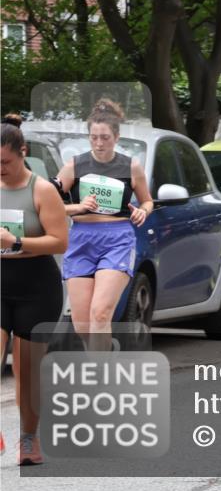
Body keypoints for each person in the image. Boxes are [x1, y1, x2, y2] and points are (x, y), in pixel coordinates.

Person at [56, 99, 153, 351]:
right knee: (81, 324)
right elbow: (49, 205)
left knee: (100, 314)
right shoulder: (74, 166)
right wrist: (77, 208)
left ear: (116, 137)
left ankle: (98, 376)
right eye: (94, 137)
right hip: (81, 239)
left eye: (105, 138)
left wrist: (143, 211)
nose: (99, 143)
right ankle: (105, 350)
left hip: (117, 239)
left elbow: (147, 201)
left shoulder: (131, 166)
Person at [1, 115, 69, 465]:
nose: (0, 169)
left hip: (36, 290)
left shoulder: (41, 189)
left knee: (27, 377)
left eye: (5, 162)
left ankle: (28, 439)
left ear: (22, 152)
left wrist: (17, 242)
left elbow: (60, 242)